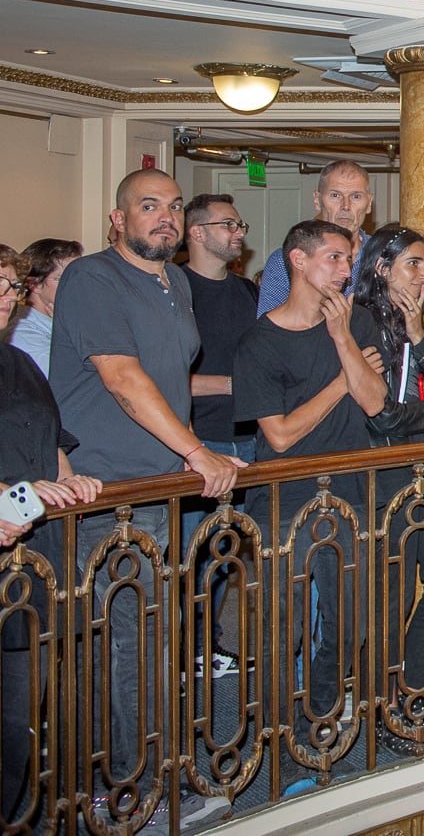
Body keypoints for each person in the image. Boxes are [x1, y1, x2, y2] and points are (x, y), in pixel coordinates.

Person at [54, 170, 243, 816]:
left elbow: (171, 381)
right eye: (148, 206)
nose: (164, 217)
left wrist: (191, 456)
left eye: (173, 207)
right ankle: (127, 790)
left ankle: (162, 771)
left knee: (159, 639)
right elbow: (123, 379)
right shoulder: (93, 279)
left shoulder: (178, 282)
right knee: (124, 644)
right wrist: (197, 451)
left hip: (163, 490)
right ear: (118, 219)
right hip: (108, 494)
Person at [236, 220, 386, 741]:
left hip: (349, 490)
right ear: (298, 262)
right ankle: (280, 729)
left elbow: (374, 400)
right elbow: (279, 436)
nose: (346, 269)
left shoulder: (358, 322)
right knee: (283, 626)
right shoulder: (261, 340)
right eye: (334, 258)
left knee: (350, 623)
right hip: (282, 496)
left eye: (349, 259)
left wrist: (342, 339)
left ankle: (318, 710)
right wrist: (341, 382)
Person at [1, 267, 100, 828]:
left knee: (18, 719)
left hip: (28, 556)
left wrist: (70, 480)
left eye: (9, 287)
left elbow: (50, 440)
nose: (3, 298)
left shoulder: (18, 362)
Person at [350, 224, 424, 704]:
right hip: (385, 470)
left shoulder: (406, 322)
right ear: (382, 267)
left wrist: (418, 334)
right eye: (413, 264)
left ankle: (413, 682)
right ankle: (381, 697)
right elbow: (380, 416)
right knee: (390, 594)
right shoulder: (359, 321)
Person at [180, 193, 259, 680]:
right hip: (198, 439)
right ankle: (181, 649)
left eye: (239, 223)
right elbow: (157, 377)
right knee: (190, 555)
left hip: (248, 437)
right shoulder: (172, 288)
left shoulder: (245, 292)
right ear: (197, 232)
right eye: (228, 224)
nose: (238, 232)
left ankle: (209, 643)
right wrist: (232, 384)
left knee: (226, 554)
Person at [255, 160, 373, 315]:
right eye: (335, 195)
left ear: (369, 203)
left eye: (356, 196)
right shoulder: (287, 261)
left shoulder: (382, 255)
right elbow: (271, 332)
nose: (345, 206)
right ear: (317, 200)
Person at [8, 237, 80, 377]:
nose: (77, 285)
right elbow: (68, 381)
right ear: (34, 285)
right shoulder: (22, 333)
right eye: (63, 278)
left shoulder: (74, 318)